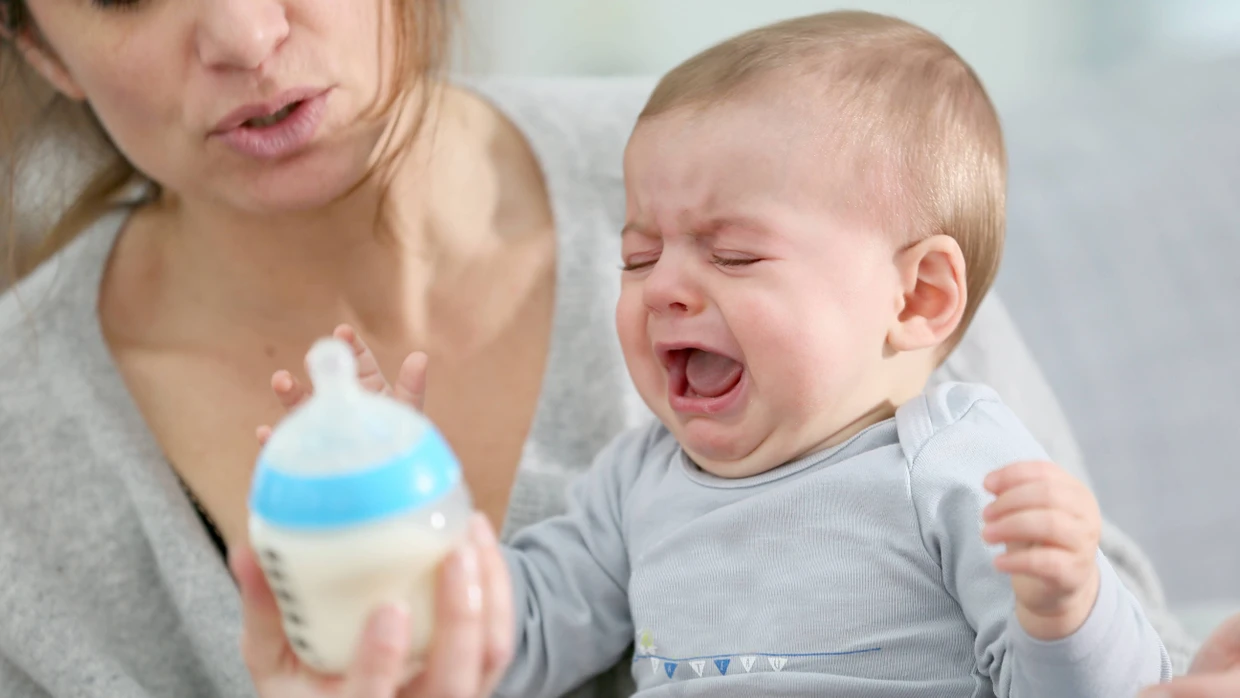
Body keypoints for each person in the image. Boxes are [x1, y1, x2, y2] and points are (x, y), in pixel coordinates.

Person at [0, 0, 1199, 695]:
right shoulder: (645, 483)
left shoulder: (796, 172)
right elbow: (519, 616)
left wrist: (1063, 600)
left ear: (919, 301)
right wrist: (401, 570)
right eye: (637, 258)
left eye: (727, 257)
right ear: (42, 47)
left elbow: (1129, 665)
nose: (246, 32)